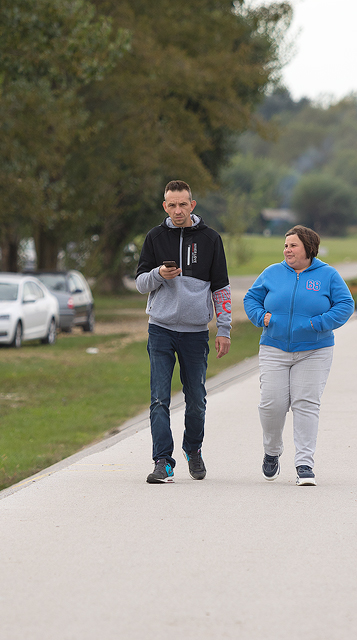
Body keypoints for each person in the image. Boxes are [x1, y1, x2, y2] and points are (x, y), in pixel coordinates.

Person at [136, 179, 232, 484]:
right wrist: (158, 275)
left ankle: (194, 449)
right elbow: (140, 283)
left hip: (194, 332)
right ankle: (162, 461)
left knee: (196, 399)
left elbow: (221, 288)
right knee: (158, 399)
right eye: (171, 205)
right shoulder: (154, 237)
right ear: (165, 206)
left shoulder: (210, 239)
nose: (178, 210)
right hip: (160, 329)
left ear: (192, 205)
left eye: (183, 204)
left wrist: (224, 329)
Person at [243, 225, 353, 486]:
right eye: (285, 245)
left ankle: (305, 464)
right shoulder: (272, 273)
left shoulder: (327, 275)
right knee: (272, 404)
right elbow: (251, 299)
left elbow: (346, 305)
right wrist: (262, 317)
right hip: (274, 347)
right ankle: (272, 451)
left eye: (293, 245)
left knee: (306, 403)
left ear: (308, 248)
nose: (287, 250)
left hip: (314, 351)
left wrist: (317, 324)